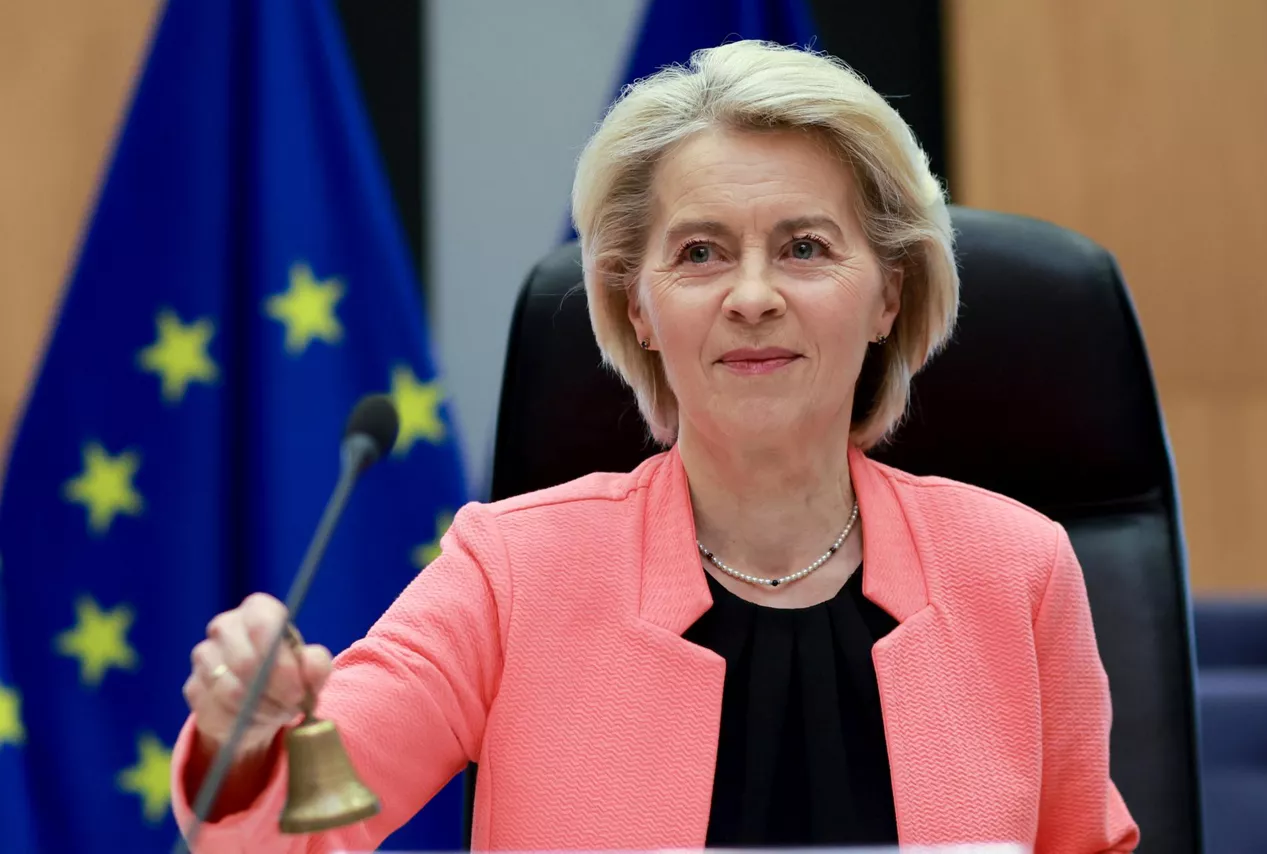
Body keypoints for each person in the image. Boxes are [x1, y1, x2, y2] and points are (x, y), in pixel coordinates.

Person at [171, 40, 1139, 852]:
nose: (751, 296)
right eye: (699, 252)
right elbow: (293, 832)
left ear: (888, 293)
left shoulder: (1016, 571)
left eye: (803, 247)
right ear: (637, 306)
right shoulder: (509, 573)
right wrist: (245, 740)